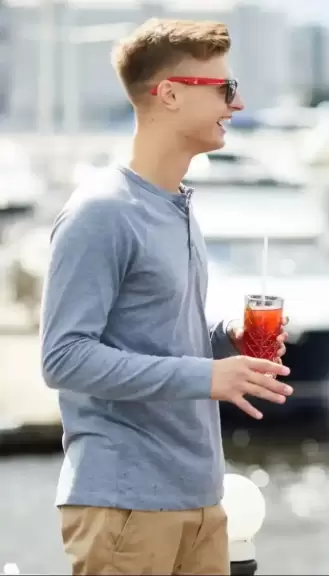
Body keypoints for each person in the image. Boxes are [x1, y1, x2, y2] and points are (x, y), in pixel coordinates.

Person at [40, 19, 292, 576]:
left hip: (199, 498)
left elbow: (151, 339)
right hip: (125, 503)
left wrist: (222, 338)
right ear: (171, 94)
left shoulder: (175, 204)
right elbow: (63, 357)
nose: (239, 102)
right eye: (224, 89)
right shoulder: (102, 210)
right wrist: (208, 377)